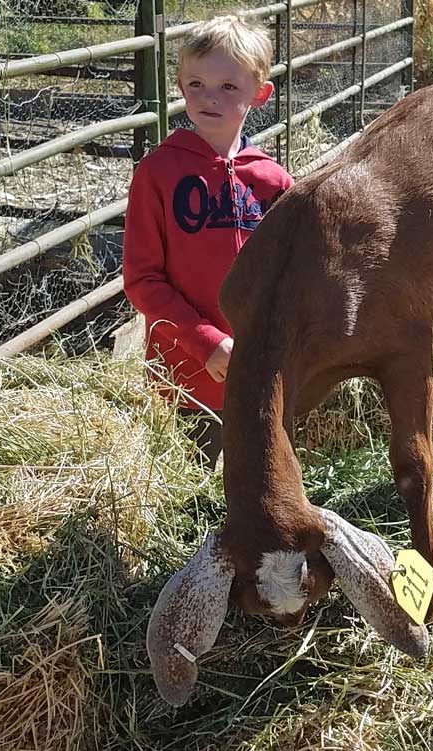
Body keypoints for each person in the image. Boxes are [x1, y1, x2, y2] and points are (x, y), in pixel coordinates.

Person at [122, 14, 293, 469]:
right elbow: (142, 279)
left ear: (260, 93)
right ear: (179, 85)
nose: (208, 97)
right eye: (196, 83)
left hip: (263, 369)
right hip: (187, 374)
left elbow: (296, 275)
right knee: (189, 483)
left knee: (260, 475)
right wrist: (207, 342)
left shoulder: (274, 182)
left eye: (227, 87)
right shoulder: (158, 174)